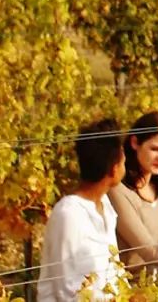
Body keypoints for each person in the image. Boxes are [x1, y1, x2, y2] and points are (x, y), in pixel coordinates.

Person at [39, 119, 127, 302]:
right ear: (114, 168)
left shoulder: (106, 207)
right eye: (123, 161)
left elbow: (114, 273)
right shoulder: (69, 215)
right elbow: (67, 290)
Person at [110, 112, 158, 277]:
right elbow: (148, 250)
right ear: (134, 143)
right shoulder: (118, 191)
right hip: (131, 288)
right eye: (155, 149)